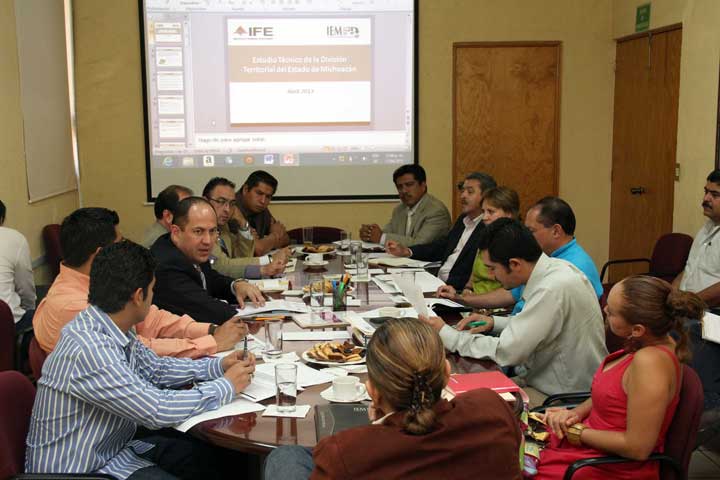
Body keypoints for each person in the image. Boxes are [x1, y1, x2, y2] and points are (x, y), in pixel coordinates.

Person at [25, 240, 256, 479]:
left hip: (113, 450)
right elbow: (157, 409)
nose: (153, 296)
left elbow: (155, 368)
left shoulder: (111, 324)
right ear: (138, 296)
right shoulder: (89, 349)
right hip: (81, 471)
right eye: (152, 289)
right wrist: (226, 386)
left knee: (215, 459)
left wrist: (217, 366)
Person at [263, 318, 523, 480]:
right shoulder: (492, 408)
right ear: (447, 372)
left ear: (372, 391)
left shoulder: (346, 451)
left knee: (284, 456)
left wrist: (377, 427)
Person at [421, 218, 607, 403]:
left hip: (561, 397)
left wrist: (448, 335)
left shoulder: (551, 288)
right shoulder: (556, 269)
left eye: (492, 268)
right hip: (546, 379)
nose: (491, 276)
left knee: (467, 404)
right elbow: (538, 324)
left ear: (515, 264)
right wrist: (494, 322)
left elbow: (507, 351)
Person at [535, 276, 701, 480]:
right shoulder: (650, 340)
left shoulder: (650, 363)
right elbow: (613, 395)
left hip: (609, 467)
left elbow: (637, 448)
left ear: (637, 329)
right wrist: (575, 414)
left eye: (612, 312)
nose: (605, 310)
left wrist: (576, 432)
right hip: (591, 447)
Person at [33, 207, 246, 357]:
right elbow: (140, 352)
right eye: (120, 244)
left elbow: (152, 320)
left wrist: (210, 330)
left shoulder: (101, 281)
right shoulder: (74, 308)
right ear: (100, 255)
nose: (126, 249)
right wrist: (211, 343)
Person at [439, 197, 602, 313]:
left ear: (556, 231)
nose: (526, 236)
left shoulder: (574, 268)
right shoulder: (546, 257)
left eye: (531, 231)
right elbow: (510, 294)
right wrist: (461, 299)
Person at [151, 197, 265, 324]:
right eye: (198, 231)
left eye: (212, 231)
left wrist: (236, 285)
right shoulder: (167, 265)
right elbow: (207, 310)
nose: (208, 241)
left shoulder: (190, 250)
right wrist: (258, 316)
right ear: (176, 232)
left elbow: (209, 278)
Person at [385, 172, 496, 290]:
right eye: (462, 191)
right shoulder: (463, 219)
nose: (463, 196)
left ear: (486, 197)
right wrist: (408, 251)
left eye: (470, 192)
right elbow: (442, 246)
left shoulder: (488, 228)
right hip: (437, 282)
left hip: (456, 290)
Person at [202, 177, 286, 279]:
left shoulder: (222, 227)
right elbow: (222, 266)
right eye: (221, 201)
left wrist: (242, 223)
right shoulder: (200, 231)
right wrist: (268, 260)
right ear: (205, 201)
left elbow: (242, 257)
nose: (227, 209)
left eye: (232, 204)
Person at [359, 164, 451, 247]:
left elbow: (419, 244)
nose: (404, 191)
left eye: (409, 185)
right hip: (401, 259)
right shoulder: (399, 209)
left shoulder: (436, 211)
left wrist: (381, 238)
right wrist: (369, 234)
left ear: (423, 186)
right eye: (400, 187)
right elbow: (386, 233)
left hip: (427, 260)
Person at [673, 169, 720, 307]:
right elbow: (690, 267)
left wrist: (689, 302)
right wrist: (672, 292)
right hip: (686, 306)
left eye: (714, 195)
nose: (705, 199)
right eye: (706, 192)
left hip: (709, 311)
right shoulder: (706, 228)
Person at [467, 186, 520, 295]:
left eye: (491, 212)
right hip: (472, 298)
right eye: (483, 211)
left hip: (497, 302)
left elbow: (513, 291)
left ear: (509, 214)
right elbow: (472, 279)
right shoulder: (485, 237)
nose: (484, 217)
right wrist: (466, 291)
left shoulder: (517, 242)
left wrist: (472, 300)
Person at [0, 199, 36, 332]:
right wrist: (29, 309)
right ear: (2, 219)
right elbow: (26, 287)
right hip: (7, 323)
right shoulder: (14, 238)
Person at [235, 170, 290, 256]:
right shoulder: (231, 208)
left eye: (268, 196)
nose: (263, 201)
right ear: (245, 190)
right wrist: (274, 236)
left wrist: (266, 242)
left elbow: (285, 239)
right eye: (259, 193)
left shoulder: (260, 208)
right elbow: (256, 250)